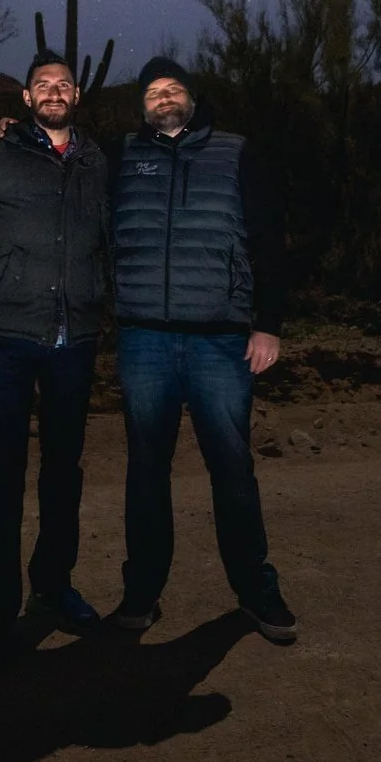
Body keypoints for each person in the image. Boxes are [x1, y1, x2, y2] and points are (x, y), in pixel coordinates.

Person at [106, 54, 296, 643]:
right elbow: (59, 160)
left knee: (232, 468)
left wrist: (268, 324)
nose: (163, 98)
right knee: (146, 470)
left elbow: (270, 240)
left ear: (192, 97)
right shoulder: (121, 156)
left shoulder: (236, 153)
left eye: (173, 89)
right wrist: (12, 129)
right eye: (152, 93)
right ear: (141, 106)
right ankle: (142, 591)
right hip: (144, 338)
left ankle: (256, 589)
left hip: (220, 340)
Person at [0, 51, 111, 671]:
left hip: (75, 340)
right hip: (7, 338)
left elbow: (109, 240)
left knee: (64, 471)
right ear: (26, 97)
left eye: (63, 84)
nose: (54, 92)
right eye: (43, 84)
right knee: (4, 474)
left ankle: (53, 585)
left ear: (77, 94)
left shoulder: (96, 161)